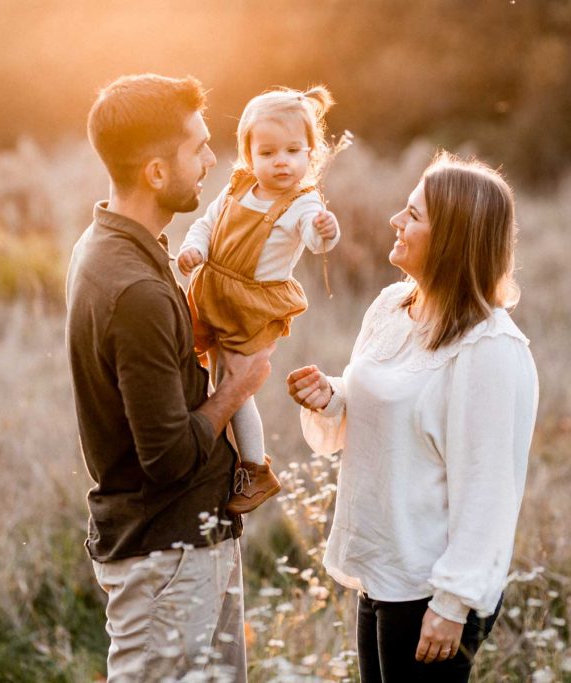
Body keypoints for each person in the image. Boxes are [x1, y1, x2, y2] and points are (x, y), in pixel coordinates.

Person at [286, 152, 538, 682]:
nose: (394, 221)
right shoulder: (391, 307)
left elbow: (490, 489)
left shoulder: (490, 348)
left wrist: (453, 603)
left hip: (430, 589)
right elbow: (389, 411)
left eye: (414, 215)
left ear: (452, 239)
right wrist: (332, 397)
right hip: (382, 569)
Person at [66, 73, 273, 683]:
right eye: (198, 148)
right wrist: (238, 386)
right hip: (168, 559)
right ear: (156, 173)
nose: (212, 160)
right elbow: (167, 456)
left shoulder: (109, 244)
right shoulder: (135, 289)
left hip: (189, 544)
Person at [176, 86, 342, 516]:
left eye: (293, 150)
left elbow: (314, 237)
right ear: (248, 154)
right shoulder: (239, 185)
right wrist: (194, 249)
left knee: (234, 385)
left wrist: (326, 230)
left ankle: (255, 468)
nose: (281, 161)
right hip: (213, 290)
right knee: (206, 375)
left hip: (251, 306)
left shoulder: (303, 203)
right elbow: (206, 224)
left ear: (310, 153)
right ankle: (216, 454)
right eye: (267, 152)